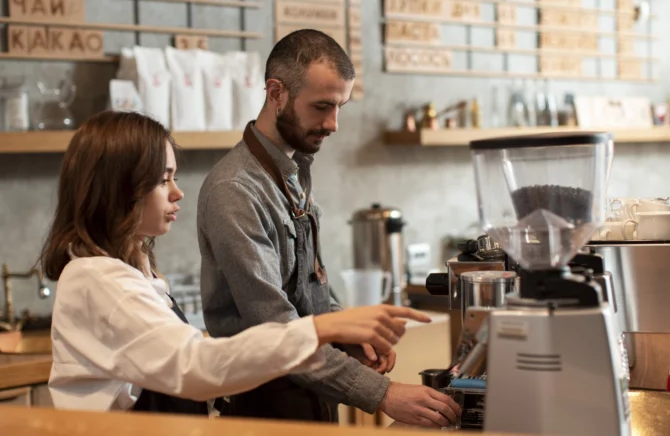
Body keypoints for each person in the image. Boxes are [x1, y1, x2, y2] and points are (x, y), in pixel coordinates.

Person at [41, 110, 432, 414]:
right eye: (163, 180)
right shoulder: (99, 281)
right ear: (119, 190)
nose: (178, 193)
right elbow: (196, 366)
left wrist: (333, 331)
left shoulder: (130, 269)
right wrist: (321, 328)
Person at [198, 29, 461, 429]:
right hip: (261, 411)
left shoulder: (295, 171)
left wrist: (346, 334)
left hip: (311, 396)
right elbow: (277, 332)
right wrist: (384, 394)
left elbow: (310, 287)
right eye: (322, 106)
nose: (334, 124)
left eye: (340, 106)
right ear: (276, 93)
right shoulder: (235, 191)